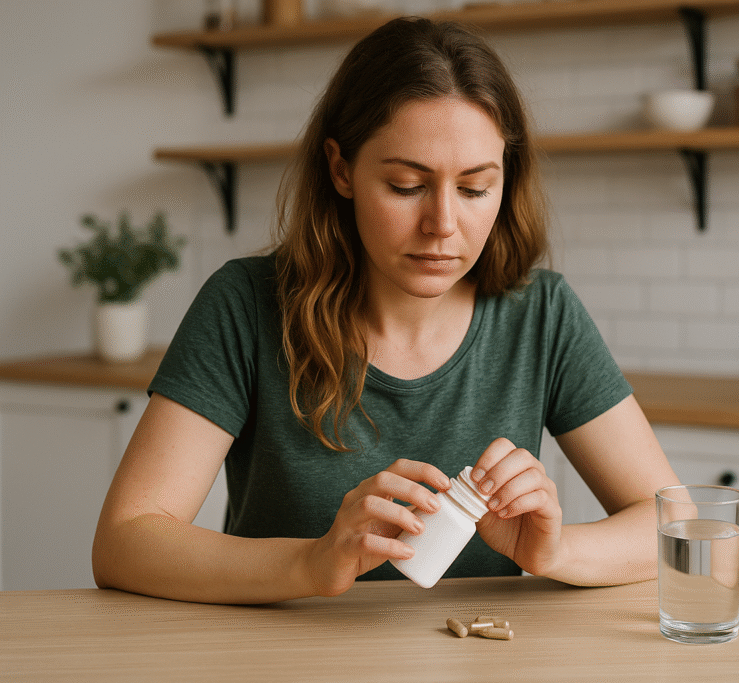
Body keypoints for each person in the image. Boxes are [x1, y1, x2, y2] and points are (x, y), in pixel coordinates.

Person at [92, 16, 680, 604]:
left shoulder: (543, 314)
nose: (443, 226)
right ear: (341, 168)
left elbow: (671, 524)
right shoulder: (245, 304)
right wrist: (312, 561)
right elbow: (125, 541)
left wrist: (555, 553)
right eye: (405, 185)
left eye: (475, 189)